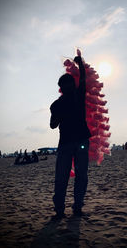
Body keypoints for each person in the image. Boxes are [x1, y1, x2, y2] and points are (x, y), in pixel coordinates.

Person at [50, 50, 91, 218]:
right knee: (73, 176)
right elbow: (53, 125)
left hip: (72, 142)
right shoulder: (64, 101)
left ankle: (67, 208)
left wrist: (80, 62)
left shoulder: (71, 98)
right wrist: (80, 63)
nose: (70, 87)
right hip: (73, 142)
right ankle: (70, 207)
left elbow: (53, 125)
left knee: (66, 177)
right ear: (63, 88)